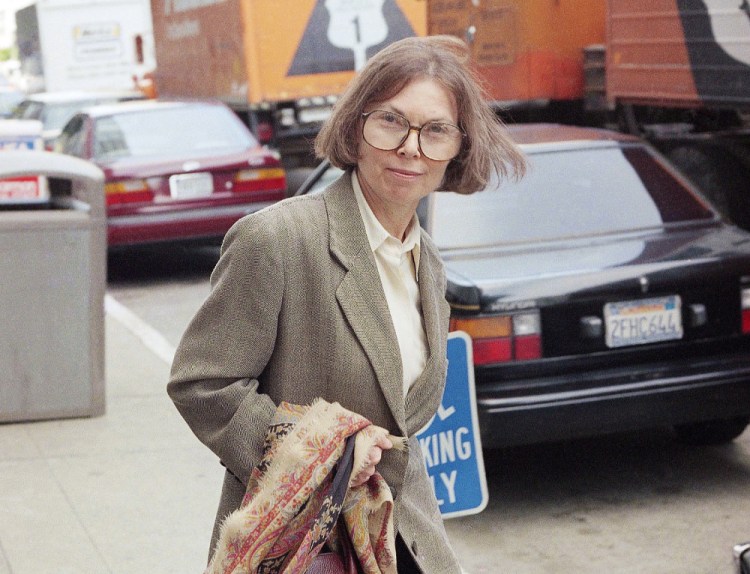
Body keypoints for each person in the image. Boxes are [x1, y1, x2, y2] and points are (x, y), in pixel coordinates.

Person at [167, 34, 525, 573]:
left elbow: (401, 419)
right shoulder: (279, 239)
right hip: (304, 544)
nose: (411, 147)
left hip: (403, 539)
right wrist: (322, 453)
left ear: (457, 150)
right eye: (391, 122)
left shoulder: (426, 261)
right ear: (355, 130)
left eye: (435, 131)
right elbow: (203, 383)